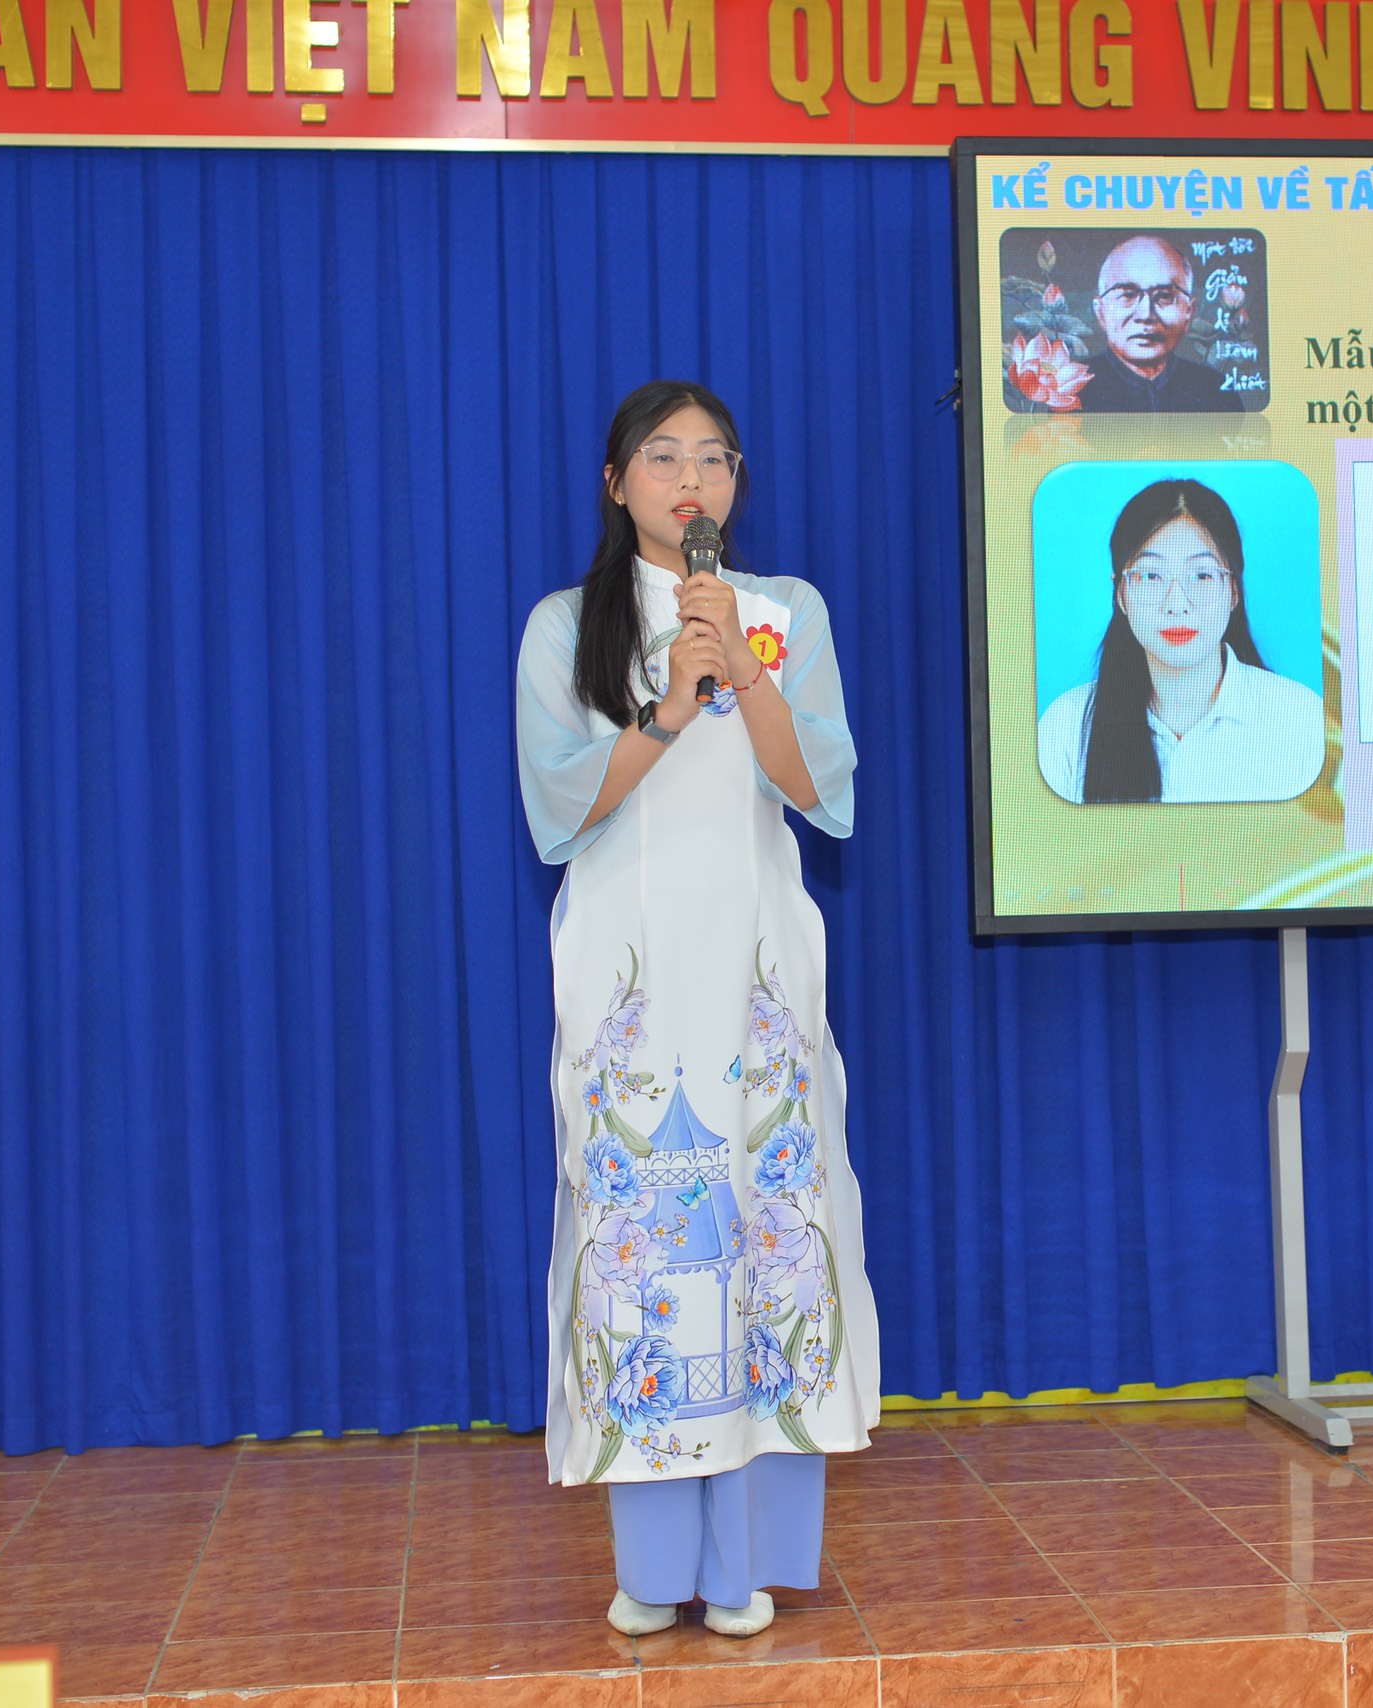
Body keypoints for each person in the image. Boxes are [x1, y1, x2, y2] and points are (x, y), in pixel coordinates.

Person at [515, 381, 880, 1642]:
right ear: (616, 482)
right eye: (663, 457)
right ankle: (654, 1561)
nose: (691, 479)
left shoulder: (785, 613)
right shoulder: (567, 627)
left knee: (768, 1238)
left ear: (736, 484)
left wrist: (746, 670)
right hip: (633, 976)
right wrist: (668, 705)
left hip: (756, 972)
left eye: (713, 459)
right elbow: (559, 810)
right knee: (650, 1257)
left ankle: (748, 1566)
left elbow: (823, 790)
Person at [1037, 478, 1323, 804]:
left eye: (1201, 575)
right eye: (1151, 576)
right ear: (1121, 595)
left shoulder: (1300, 720)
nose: (1176, 603)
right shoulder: (1067, 727)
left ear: (1233, 592)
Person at [1076, 235, 1243, 413]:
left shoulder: (1216, 391)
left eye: (1164, 296)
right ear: (1100, 311)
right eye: (1128, 295)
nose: (1146, 315)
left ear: (1189, 312)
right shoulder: (1072, 391)